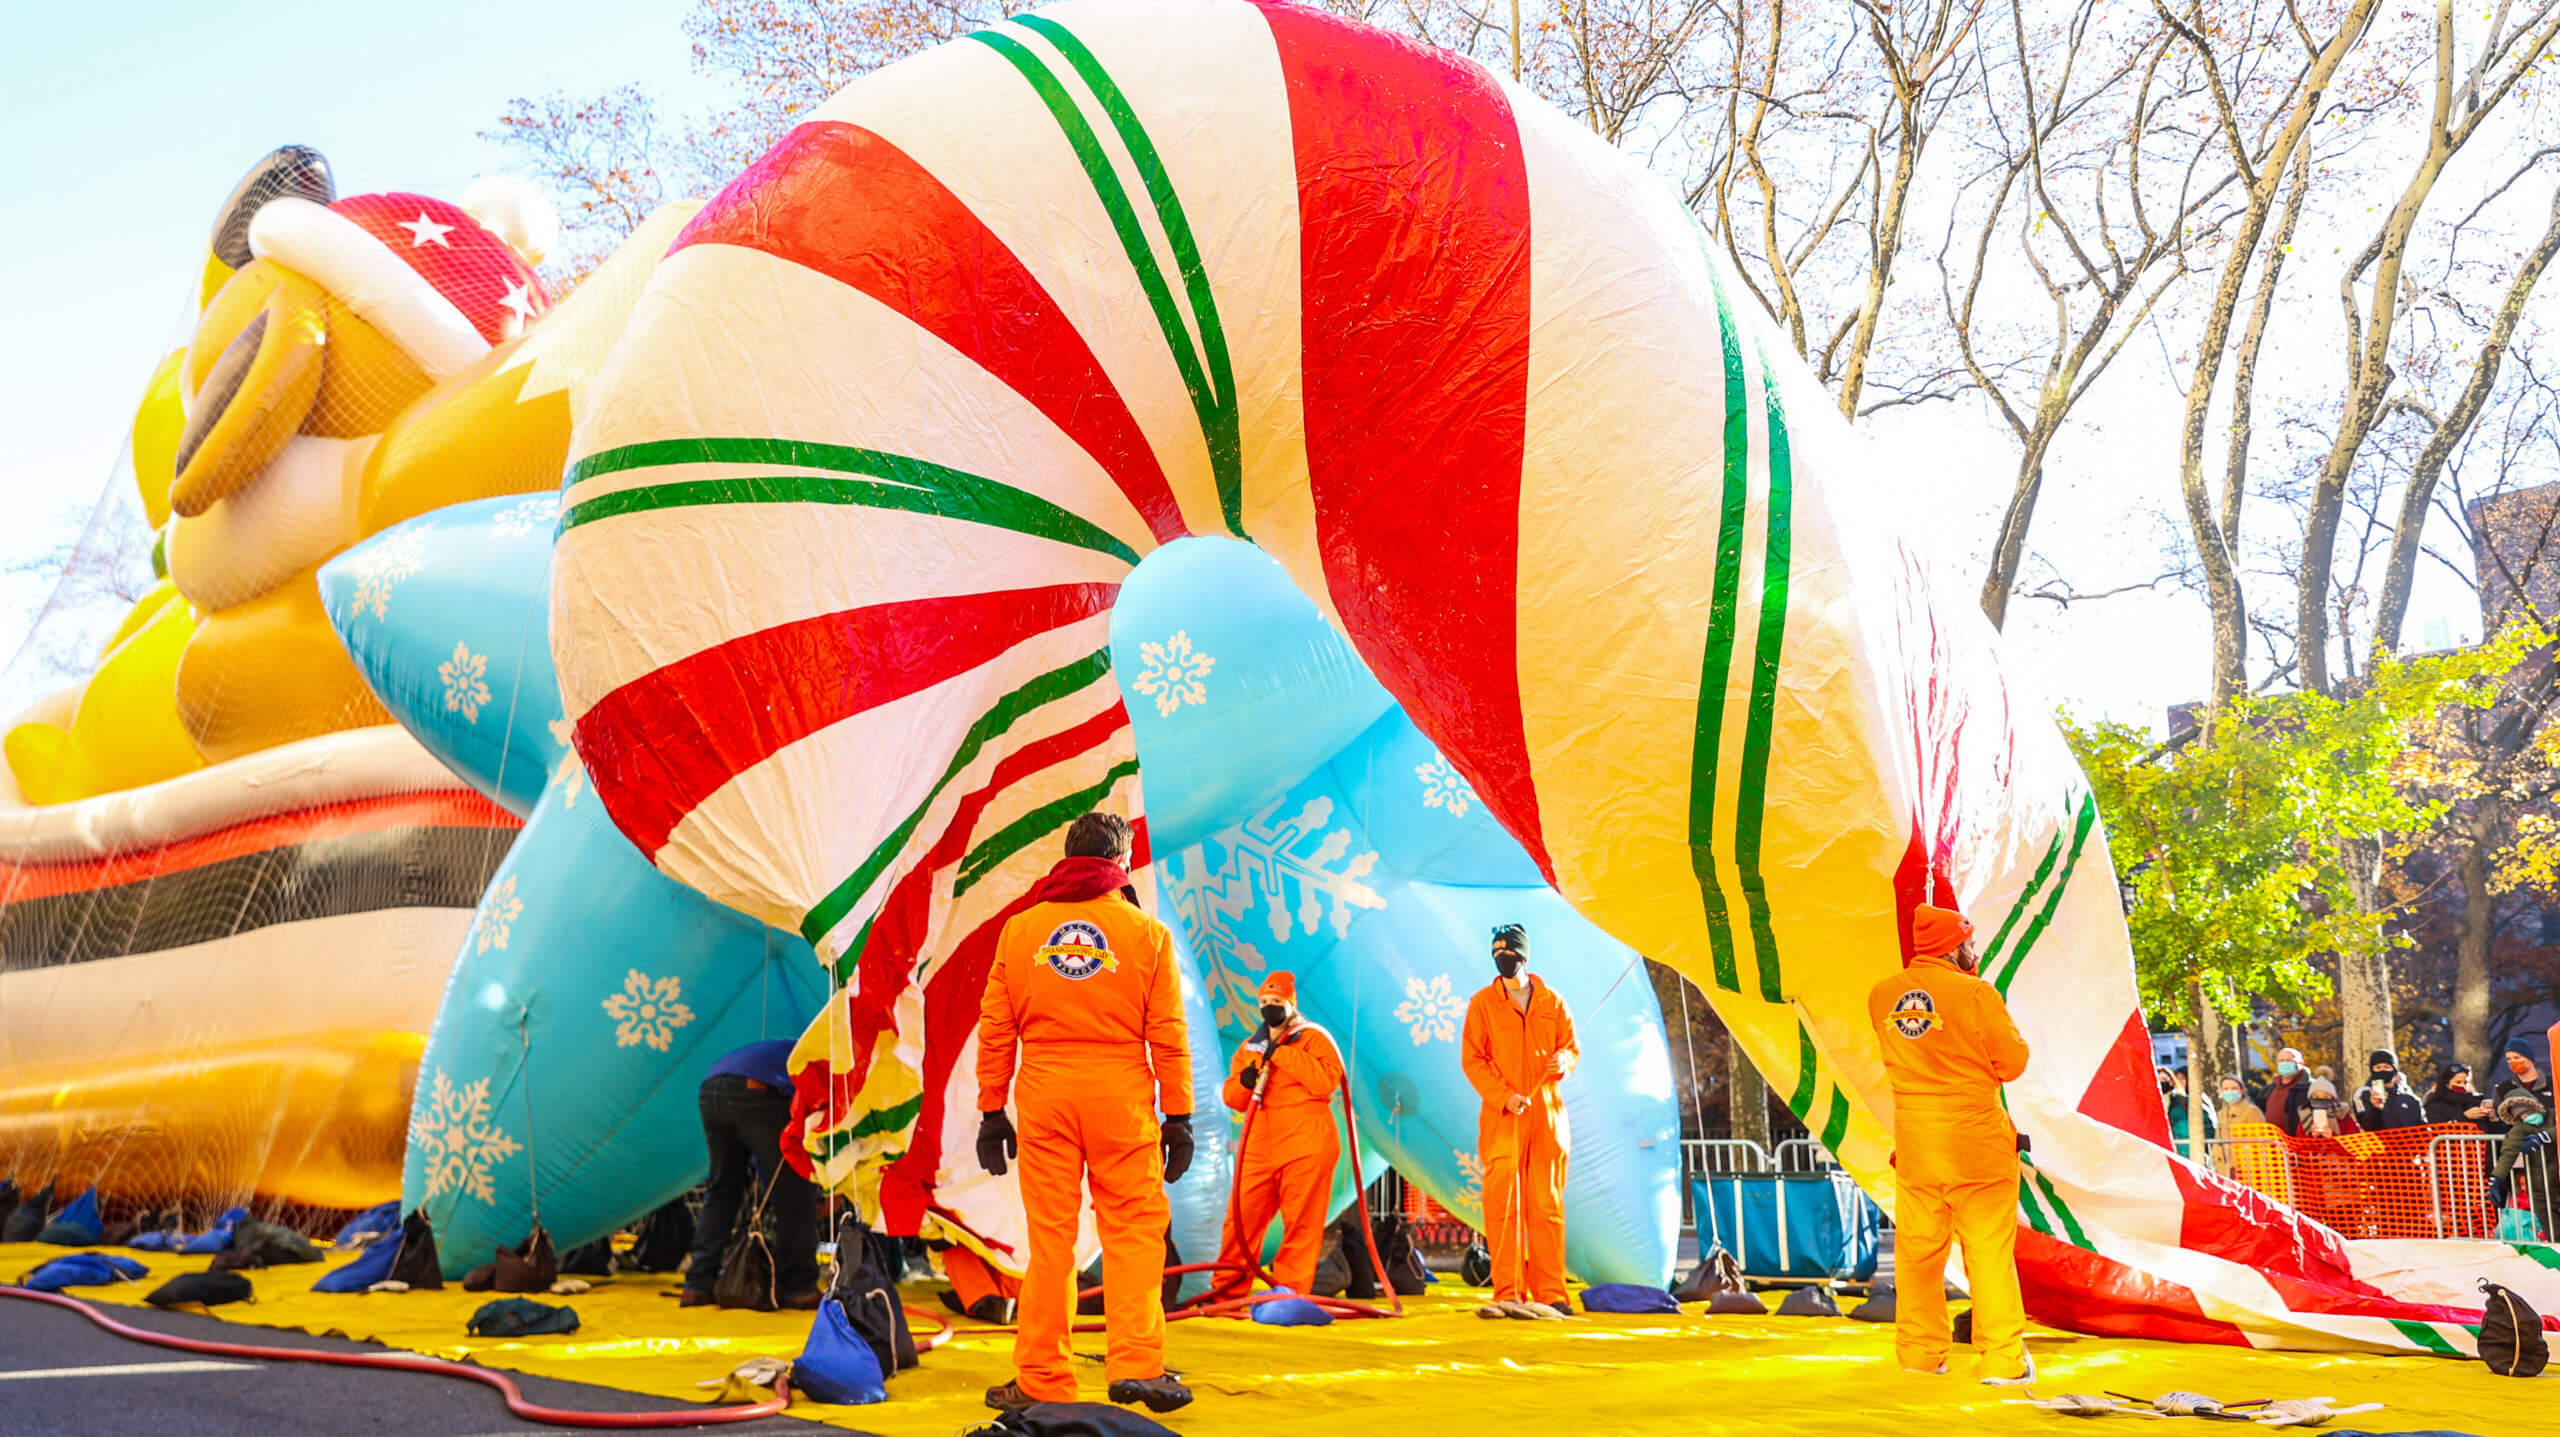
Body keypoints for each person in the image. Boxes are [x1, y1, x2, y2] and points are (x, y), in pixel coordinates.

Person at [974, 812, 1194, 1415]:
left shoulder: (1021, 931)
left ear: (1068, 856)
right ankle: (1138, 1368)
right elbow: (1169, 1034)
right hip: (1120, 1097)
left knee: (1051, 1242)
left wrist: (992, 1109)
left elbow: (996, 1029)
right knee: (1133, 1234)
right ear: (1120, 864)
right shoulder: (1146, 935)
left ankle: (1042, 1379)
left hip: (1044, 1094)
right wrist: (1178, 1115)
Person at [1866, 904, 2034, 1386]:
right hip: (1976, 1143)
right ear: (1955, 947)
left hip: (1917, 1145)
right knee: (1988, 1254)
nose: (1975, 951)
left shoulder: (1881, 995)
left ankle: (1920, 1356)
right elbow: (2013, 1062)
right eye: (1971, 943)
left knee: (1918, 1255)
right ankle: (2003, 1362)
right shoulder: (1976, 992)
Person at [1460, 923, 1578, 1315]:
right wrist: (1503, 1096)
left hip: (1547, 1114)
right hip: (1504, 1115)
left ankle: (1551, 1293)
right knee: (1503, 1204)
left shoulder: (1553, 1001)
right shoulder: (1482, 1004)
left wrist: (1564, 1061)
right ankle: (1508, 1291)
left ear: (1523, 957)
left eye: (1508, 953)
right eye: (1497, 954)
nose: (1502, 960)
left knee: (1547, 1205)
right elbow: (1473, 1060)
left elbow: (1571, 1049)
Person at [1208, 970, 1346, 1300]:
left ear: (1291, 1005)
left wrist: (1282, 1054)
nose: (1270, 1007)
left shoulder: (1314, 1037)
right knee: (1240, 1222)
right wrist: (1242, 1082)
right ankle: (1226, 1293)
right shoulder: (1250, 1046)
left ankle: (1289, 1295)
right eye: (1265, 1002)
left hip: (1306, 1141)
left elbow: (1326, 1080)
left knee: (1301, 1223)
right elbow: (1232, 1098)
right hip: (1259, 1143)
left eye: (1277, 1001)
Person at [683, 1038, 822, 1309]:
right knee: (796, 1193)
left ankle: (697, 1285)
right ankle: (800, 1287)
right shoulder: (827, 1059)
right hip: (759, 1089)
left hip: (711, 1090)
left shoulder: (790, 1047)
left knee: (722, 1189)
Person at [2352, 1050, 2424, 1133]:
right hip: (2379, 1144)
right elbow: (2366, 1126)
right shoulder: (2364, 1094)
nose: (2382, 1070)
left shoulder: (2410, 1098)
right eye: (2378, 1067)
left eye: (2387, 1067)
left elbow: (2423, 1127)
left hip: (2409, 1144)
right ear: (2372, 1070)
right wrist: (2376, 1109)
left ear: (2394, 1069)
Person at [2423, 1064, 2498, 1133]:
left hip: (2481, 1146)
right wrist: (2465, 1117)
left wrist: (2493, 1119)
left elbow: (2495, 1134)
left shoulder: (2477, 1102)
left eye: (2466, 1083)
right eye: (2458, 1082)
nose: (2463, 1086)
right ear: (2447, 1084)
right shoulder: (2435, 1105)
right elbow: (2438, 1130)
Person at [2161, 1067, 2215, 1154]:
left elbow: (2208, 1125)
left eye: (2182, 1078)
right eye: (2176, 1078)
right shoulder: (2172, 1099)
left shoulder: (2198, 1099)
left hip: (2191, 1150)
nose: (2179, 1081)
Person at [2258, 1048, 2311, 1137]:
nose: (2284, 1063)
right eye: (2281, 1061)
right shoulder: (2268, 1089)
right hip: (2272, 1142)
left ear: (2301, 1063)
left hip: (2297, 1143)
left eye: (2289, 1060)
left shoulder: (2309, 1088)